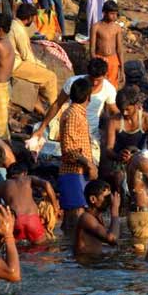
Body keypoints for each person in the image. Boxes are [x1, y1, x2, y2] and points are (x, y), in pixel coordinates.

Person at [31, 58, 119, 165]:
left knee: (91, 161)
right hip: (68, 127)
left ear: (105, 75)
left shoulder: (109, 89)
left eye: (98, 80)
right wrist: (42, 127)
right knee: (37, 132)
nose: (95, 83)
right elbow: (58, 104)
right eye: (92, 79)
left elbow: (114, 112)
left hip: (90, 134)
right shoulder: (74, 82)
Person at [58, 77, 98, 230]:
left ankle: (69, 249)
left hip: (78, 173)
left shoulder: (76, 113)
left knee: (75, 216)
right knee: (76, 216)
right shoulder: (74, 114)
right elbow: (69, 149)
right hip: (73, 173)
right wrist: (89, 165)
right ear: (89, 96)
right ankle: (71, 251)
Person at [0, 162, 59, 244]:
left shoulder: (0, 185)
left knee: (18, 250)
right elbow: (47, 184)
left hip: (15, 221)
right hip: (32, 218)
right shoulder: (28, 178)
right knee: (42, 246)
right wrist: (55, 207)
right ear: (24, 173)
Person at [10, 3, 59, 114]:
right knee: (51, 77)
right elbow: (27, 57)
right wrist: (41, 65)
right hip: (16, 65)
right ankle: (55, 111)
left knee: (42, 72)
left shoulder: (13, 25)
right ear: (29, 18)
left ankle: (40, 106)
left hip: (14, 63)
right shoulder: (19, 30)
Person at [74, 179, 121, 256]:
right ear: (93, 199)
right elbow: (112, 238)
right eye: (106, 197)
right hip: (86, 264)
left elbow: (110, 242)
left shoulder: (98, 216)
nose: (110, 200)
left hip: (93, 261)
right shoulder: (86, 218)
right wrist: (115, 210)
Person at [89, 0, 125, 88]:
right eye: (112, 13)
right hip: (99, 59)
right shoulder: (96, 27)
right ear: (104, 13)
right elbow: (92, 49)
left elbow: (120, 50)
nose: (114, 17)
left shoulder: (117, 28)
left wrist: (122, 70)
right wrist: (96, 65)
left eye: (116, 14)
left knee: (112, 88)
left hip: (113, 61)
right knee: (98, 87)